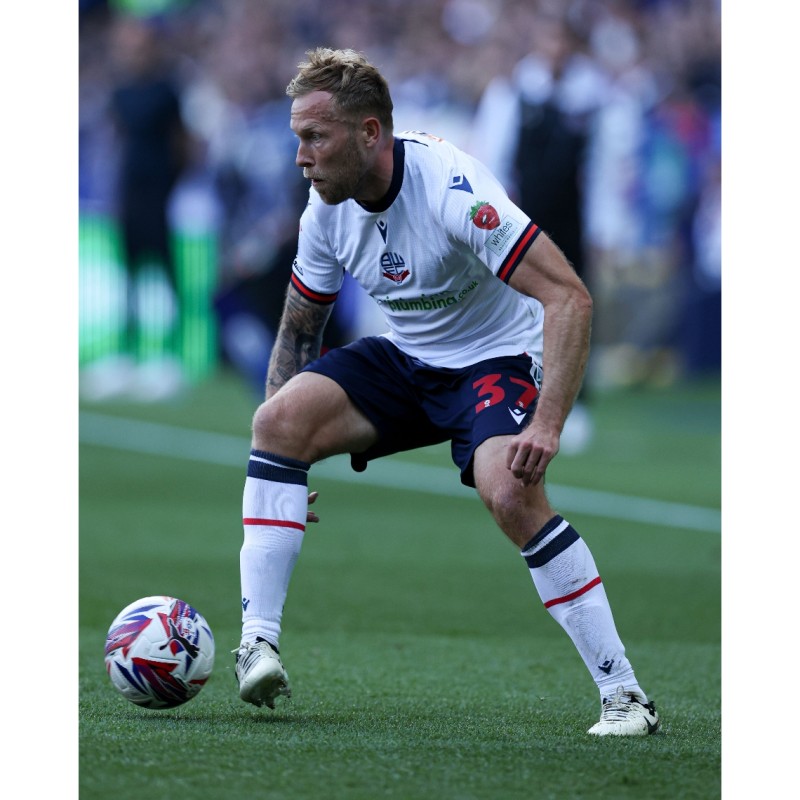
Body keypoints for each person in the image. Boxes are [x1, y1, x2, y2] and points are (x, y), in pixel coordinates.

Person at [233, 47, 660, 736]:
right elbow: (299, 329)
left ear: (369, 133)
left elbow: (570, 298)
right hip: (408, 358)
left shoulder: (454, 189)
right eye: (297, 139)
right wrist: (286, 464)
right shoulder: (325, 209)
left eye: (314, 137)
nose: (301, 156)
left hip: (495, 359)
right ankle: (256, 643)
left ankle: (625, 696)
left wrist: (547, 424)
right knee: (276, 422)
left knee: (511, 491)